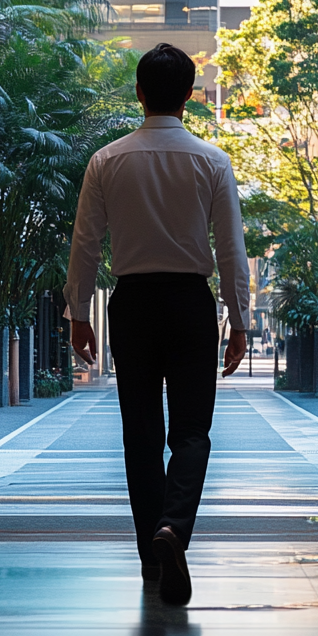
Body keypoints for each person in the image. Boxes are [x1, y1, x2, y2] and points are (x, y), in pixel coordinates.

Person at [64, 43, 249, 606]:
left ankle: (152, 555)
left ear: (139, 92)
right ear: (190, 96)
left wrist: (77, 313)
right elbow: (231, 250)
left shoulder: (106, 160)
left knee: (140, 434)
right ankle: (174, 529)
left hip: (134, 303)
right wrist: (238, 320)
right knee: (191, 432)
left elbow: (86, 244)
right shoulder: (211, 161)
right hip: (192, 302)